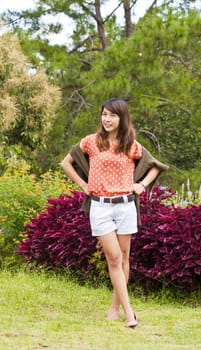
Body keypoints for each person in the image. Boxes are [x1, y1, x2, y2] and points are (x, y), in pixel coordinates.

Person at [60, 98, 168, 328]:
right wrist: (82, 184)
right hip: (100, 207)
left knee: (124, 258)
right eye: (104, 114)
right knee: (115, 257)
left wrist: (142, 185)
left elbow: (156, 165)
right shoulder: (91, 141)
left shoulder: (131, 144)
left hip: (125, 206)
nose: (107, 119)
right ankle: (130, 313)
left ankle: (115, 307)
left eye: (112, 115)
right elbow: (66, 163)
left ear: (122, 118)